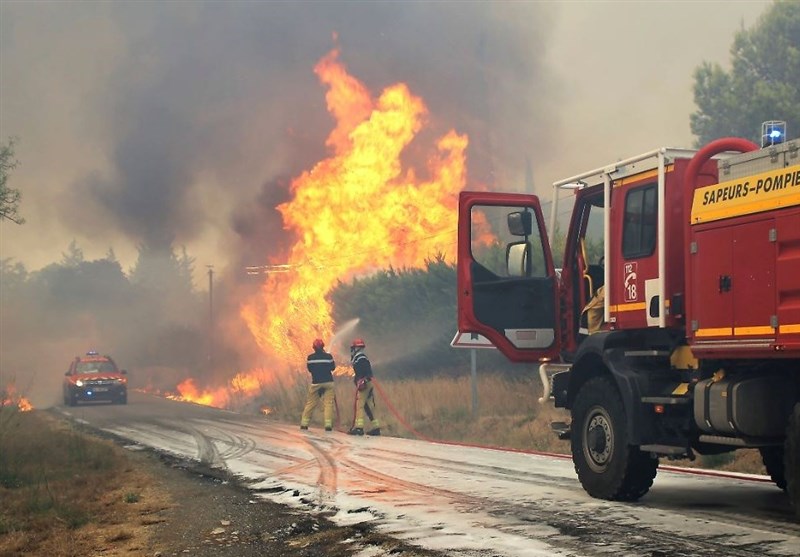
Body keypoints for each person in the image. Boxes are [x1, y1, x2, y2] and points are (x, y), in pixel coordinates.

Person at [300, 338, 336, 432]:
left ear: (314, 348)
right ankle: (328, 425)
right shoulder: (328, 357)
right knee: (328, 404)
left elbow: (310, 370)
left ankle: (304, 424)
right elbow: (333, 368)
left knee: (310, 403)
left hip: (316, 383)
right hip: (328, 382)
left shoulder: (310, 358)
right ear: (323, 346)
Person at [348, 338, 380, 436]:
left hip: (364, 384)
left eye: (354, 347)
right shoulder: (361, 357)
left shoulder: (360, 357)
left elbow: (365, 372)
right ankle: (376, 428)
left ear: (357, 347)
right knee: (368, 406)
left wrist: (362, 380)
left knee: (360, 405)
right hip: (366, 383)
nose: (353, 349)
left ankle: (359, 428)